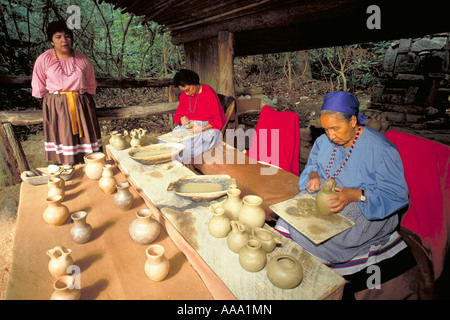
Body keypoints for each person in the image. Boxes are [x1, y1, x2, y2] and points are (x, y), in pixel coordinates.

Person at [275, 91, 422, 299]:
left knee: (325, 239)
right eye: (326, 129)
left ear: (353, 121)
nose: (330, 135)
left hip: (364, 205)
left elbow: (396, 196)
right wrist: (314, 176)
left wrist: (357, 195)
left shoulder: (381, 149)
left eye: (336, 128)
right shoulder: (324, 141)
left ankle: (320, 279)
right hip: (328, 194)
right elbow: (314, 164)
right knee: (288, 216)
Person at [31, 20, 102, 165]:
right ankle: (67, 169)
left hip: (81, 104)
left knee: (86, 141)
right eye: (58, 36)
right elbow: (40, 87)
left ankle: (90, 168)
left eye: (67, 36)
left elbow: (90, 84)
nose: (64, 40)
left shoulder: (82, 60)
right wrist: (56, 102)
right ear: (51, 41)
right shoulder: (44, 59)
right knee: (65, 140)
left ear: (72, 38)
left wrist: (81, 98)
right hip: (58, 106)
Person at [169, 69, 225, 163]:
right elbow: (179, 115)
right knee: (173, 139)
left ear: (194, 83)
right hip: (190, 127)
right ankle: (179, 159)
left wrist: (201, 129)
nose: (186, 93)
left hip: (206, 129)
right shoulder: (184, 95)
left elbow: (219, 120)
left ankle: (181, 161)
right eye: (183, 91)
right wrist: (182, 118)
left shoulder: (208, 92)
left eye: (188, 90)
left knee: (187, 143)